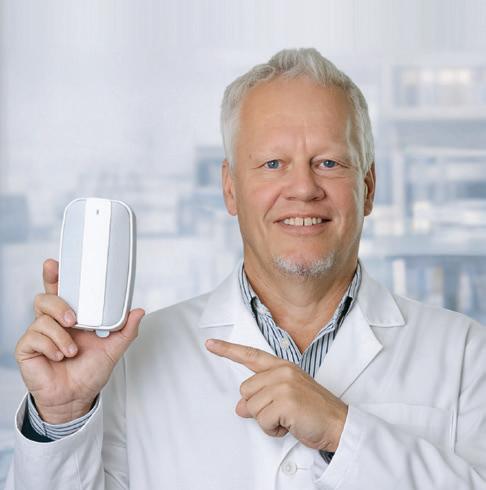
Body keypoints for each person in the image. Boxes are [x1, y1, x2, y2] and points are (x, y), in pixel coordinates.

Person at [6, 48, 486, 489]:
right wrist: (62, 414)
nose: (303, 188)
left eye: (329, 162)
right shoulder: (134, 361)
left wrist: (342, 431)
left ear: (369, 187)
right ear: (230, 189)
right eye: (273, 163)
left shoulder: (465, 355)